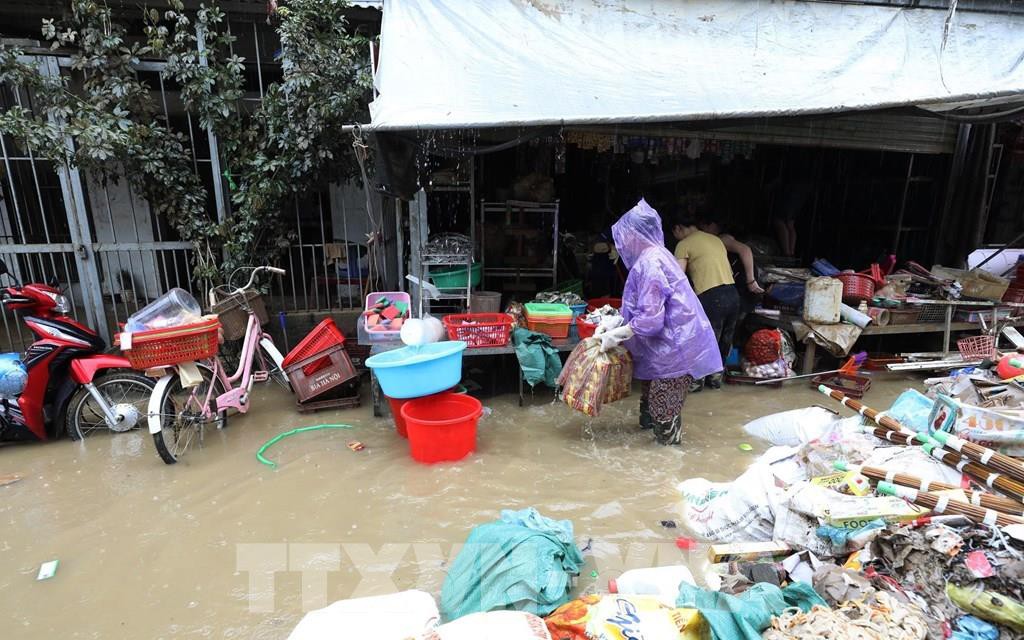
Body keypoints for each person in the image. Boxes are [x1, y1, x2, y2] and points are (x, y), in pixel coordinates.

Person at [599, 199, 721, 445]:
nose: (621, 243)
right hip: (661, 351)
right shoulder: (654, 257)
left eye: (624, 236)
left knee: (664, 414)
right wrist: (617, 323)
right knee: (649, 407)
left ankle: (668, 464)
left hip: (675, 351)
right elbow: (642, 307)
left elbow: (652, 320)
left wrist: (619, 333)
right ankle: (648, 464)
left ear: (635, 234)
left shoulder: (652, 262)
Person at [671, 209, 741, 390]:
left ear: (678, 228)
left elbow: (678, 277)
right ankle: (716, 380)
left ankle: (697, 382)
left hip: (712, 296)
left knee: (704, 339)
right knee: (724, 339)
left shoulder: (684, 244)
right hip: (733, 294)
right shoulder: (715, 239)